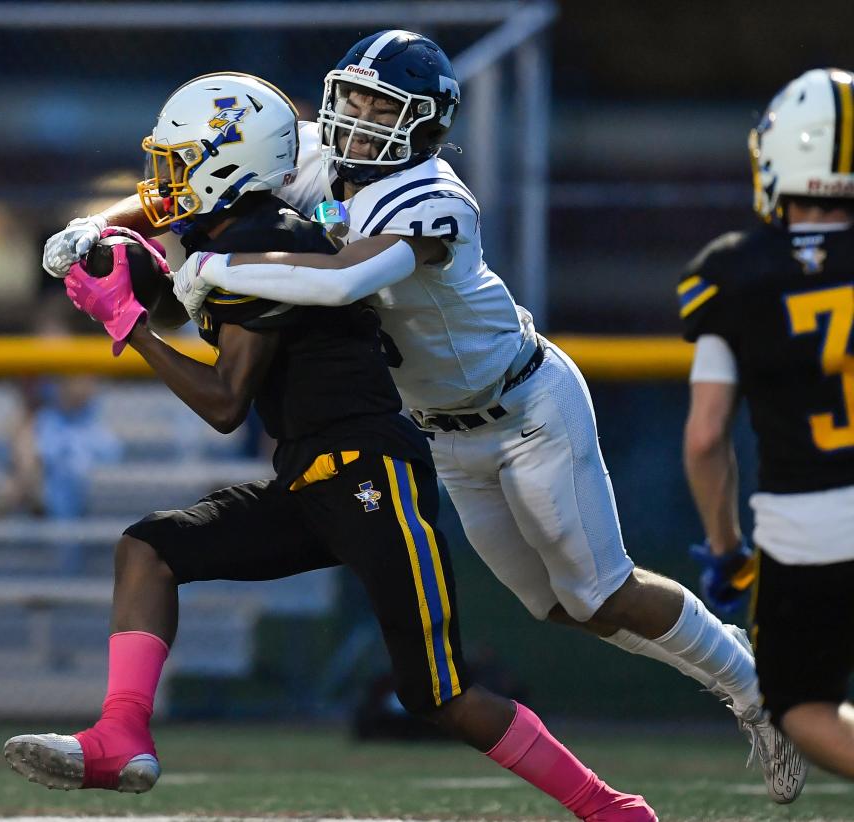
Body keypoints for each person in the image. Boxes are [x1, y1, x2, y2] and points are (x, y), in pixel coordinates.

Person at [41, 31, 807, 805]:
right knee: (550, 607)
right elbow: (199, 175)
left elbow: (349, 279)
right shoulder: (313, 152)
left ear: (426, 125)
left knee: (597, 595)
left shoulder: (434, 198)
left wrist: (207, 269)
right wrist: (99, 225)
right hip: (438, 432)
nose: (361, 117)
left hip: (526, 408)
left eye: (385, 106)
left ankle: (754, 686)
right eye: (355, 97)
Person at [680, 67, 854, 781]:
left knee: (801, 703)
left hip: (806, 524)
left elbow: (705, 435)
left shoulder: (732, 272)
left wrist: (726, 549)